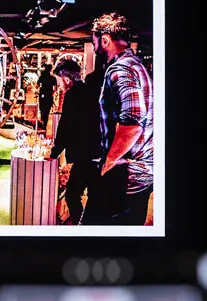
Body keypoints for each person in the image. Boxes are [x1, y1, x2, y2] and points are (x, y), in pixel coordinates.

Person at [84, 13, 154, 225]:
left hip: (124, 176)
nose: (94, 45)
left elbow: (133, 122)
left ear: (105, 40)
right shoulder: (136, 65)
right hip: (138, 173)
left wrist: (109, 162)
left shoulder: (120, 69)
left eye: (94, 40)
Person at [50, 58, 103, 225]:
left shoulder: (72, 95)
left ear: (67, 79)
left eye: (59, 80)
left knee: (72, 195)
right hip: (98, 151)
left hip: (85, 155)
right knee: (93, 197)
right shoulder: (90, 91)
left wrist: (54, 153)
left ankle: (82, 228)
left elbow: (66, 126)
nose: (58, 84)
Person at [37, 65, 56, 132]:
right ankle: (44, 124)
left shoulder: (42, 77)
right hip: (49, 96)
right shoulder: (52, 78)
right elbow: (55, 88)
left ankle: (42, 122)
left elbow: (37, 85)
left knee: (42, 110)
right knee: (47, 111)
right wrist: (52, 92)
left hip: (42, 95)